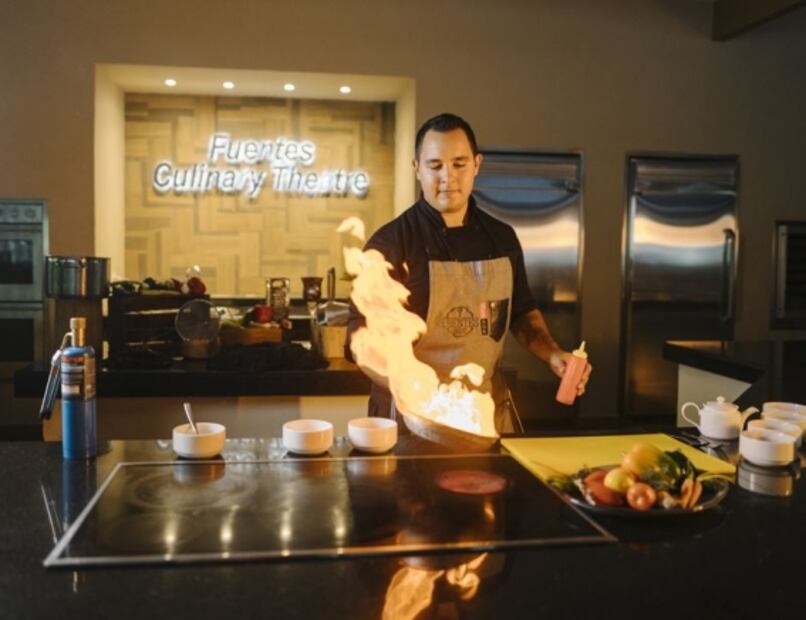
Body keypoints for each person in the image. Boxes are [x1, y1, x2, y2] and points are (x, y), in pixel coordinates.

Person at [346, 113, 592, 432]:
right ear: (417, 169)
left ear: (477, 164)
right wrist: (420, 393)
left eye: (459, 164)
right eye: (435, 165)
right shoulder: (390, 244)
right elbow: (359, 340)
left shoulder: (501, 238)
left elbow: (521, 314)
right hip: (407, 420)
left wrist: (553, 354)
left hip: (483, 416)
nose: (447, 177)